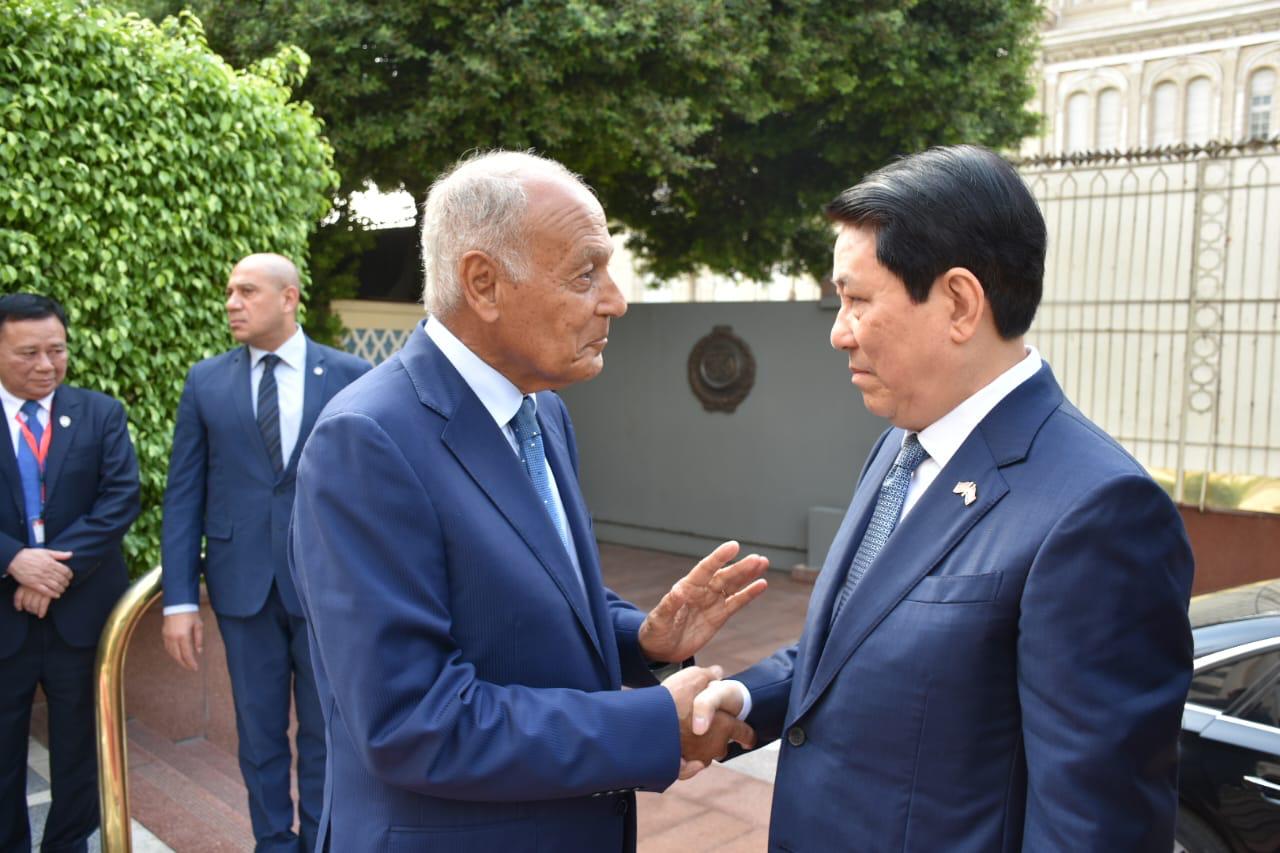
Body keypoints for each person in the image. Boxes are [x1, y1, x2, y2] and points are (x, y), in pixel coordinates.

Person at [691, 145, 1195, 851]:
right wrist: (748, 700)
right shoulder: (903, 445)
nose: (838, 332)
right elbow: (858, 640)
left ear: (959, 303)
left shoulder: (1100, 512)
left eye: (857, 300)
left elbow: (1094, 827)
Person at [288, 150, 768, 852]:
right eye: (585, 273)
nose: (615, 300)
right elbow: (412, 721)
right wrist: (651, 725)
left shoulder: (542, 412)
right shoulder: (366, 440)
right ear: (483, 283)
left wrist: (641, 639)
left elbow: (529, 597)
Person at [159, 254, 371, 852]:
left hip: (327, 589)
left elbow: (369, 489)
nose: (232, 302)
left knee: (329, 730)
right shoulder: (206, 381)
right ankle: (273, 843)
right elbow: (184, 495)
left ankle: (324, 841)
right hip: (242, 586)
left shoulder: (350, 375)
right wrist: (179, 600)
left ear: (289, 298)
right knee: (258, 732)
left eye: (247, 291)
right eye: (230, 291)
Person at [0, 294, 141, 853]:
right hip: (4, 615)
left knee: (81, 753)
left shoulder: (100, 413)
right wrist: (13, 560)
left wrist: (50, 573)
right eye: (28, 353)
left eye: (56, 350)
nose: (46, 365)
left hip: (81, 616)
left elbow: (119, 499)